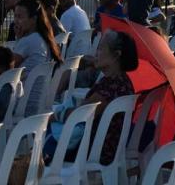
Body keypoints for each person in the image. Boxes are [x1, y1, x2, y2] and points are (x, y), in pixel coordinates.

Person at [43, 31, 136, 165]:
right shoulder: (122, 81)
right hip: (105, 149)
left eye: (101, 49)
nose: (96, 53)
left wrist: (51, 117)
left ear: (116, 55)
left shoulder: (109, 88)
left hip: (92, 151)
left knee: (39, 141)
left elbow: (79, 115)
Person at [12, 0, 62, 115]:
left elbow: (6, 70)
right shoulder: (42, 38)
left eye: (20, 17)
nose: (16, 21)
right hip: (38, 103)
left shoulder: (28, 41)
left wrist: (19, 40)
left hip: (22, 104)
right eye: (15, 16)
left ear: (33, 19)